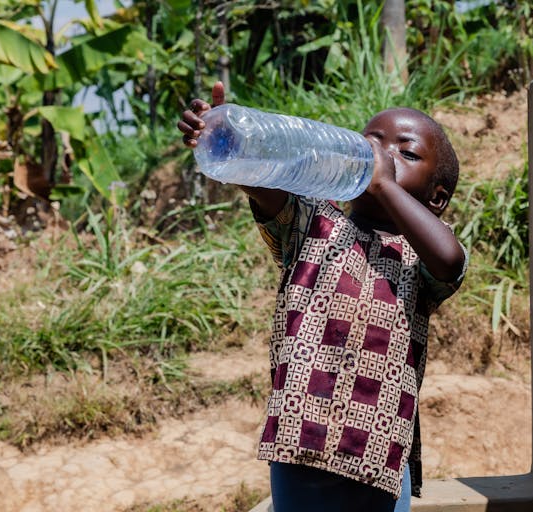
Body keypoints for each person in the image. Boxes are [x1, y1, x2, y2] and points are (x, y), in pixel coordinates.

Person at [177, 82, 467, 511]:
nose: (381, 158)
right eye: (370, 145)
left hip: (380, 456)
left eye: (404, 154)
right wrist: (228, 141)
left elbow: (450, 261)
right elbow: (262, 183)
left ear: (437, 198)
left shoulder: (416, 259)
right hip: (301, 446)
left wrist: (384, 185)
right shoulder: (313, 224)